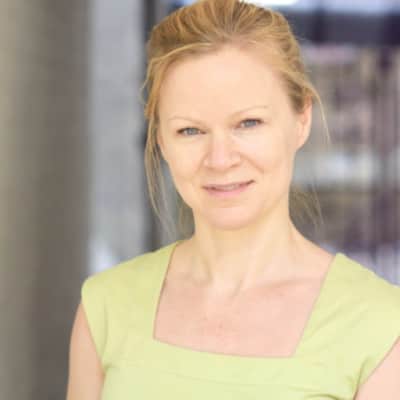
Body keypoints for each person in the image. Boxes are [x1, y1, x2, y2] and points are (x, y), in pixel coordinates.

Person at [66, 0, 400, 398]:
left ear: (301, 120)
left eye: (248, 123)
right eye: (190, 131)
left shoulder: (379, 327)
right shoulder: (105, 308)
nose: (220, 159)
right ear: (161, 140)